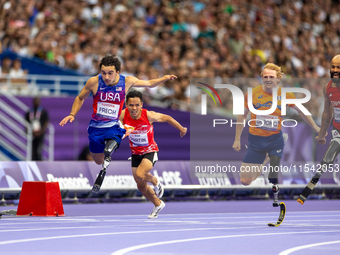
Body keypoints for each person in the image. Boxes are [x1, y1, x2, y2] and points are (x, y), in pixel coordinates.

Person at [59, 55, 177, 193]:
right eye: (103, 73)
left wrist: (164, 78)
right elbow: (80, 98)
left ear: (117, 72)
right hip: (95, 128)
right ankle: (106, 154)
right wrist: (72, 114)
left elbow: (150, 83)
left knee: (115, 135)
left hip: (113, 125)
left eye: (110, 73)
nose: (107, 77)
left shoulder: (127, 82)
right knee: (98, 160)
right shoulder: (94, 82)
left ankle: (111, 147)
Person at [232, 63, 320, 205]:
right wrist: (237, 139)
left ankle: (270, 155)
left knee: (272, 175)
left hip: (275, 140)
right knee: (245, 181)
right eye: (265, 77)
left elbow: (302, 111)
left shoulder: (286, 95)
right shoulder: (252, 93)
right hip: (255, 140)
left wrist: (316, 127)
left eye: (271, 77)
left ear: (278, 79)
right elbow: (242, 116)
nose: (268, 79)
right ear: (261, 77)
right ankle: (266, 159)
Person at [119, 90, 187, 219]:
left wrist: (181, 129)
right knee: (141, 186)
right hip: (135, 153)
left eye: (137, 105)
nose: (134, 108)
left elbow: (167, 118)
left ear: (142, 105)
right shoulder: (122, 115)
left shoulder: (149, 115)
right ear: (126, 105)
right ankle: (158, 204)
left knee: (140, 173)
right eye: (131, 105)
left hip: (150, 151)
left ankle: (155, 181)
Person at [298, 54, 340, 204]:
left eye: (338, 67)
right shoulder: (327, 87)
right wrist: (321, 134)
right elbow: (327, 113)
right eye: (333, 67)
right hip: (338, 131)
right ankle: (311, 186)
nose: (335, 70)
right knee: (327, 159)